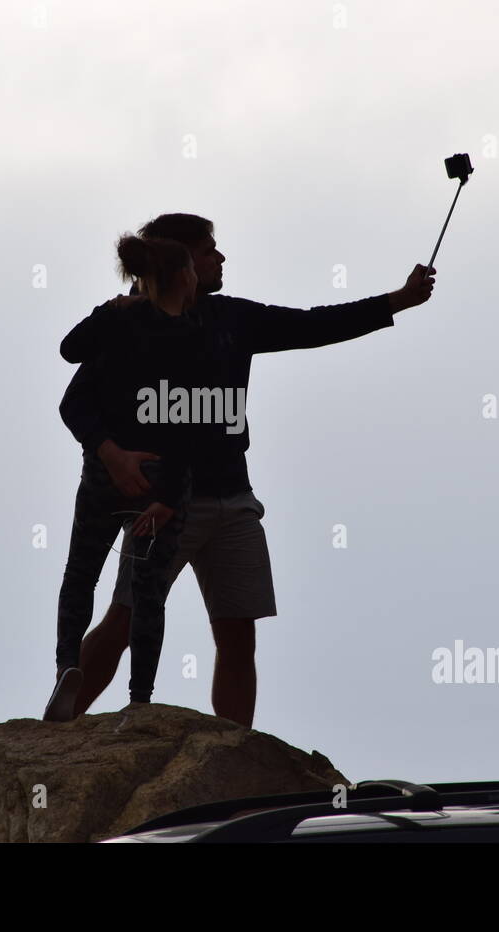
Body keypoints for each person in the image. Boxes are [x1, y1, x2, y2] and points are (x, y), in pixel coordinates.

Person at [58, 213, 437, 728]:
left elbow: (312, 324)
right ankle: (57, 730)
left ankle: (235, 747)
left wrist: (397, 300)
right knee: (124, 619)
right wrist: (113, 455)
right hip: (164, 501)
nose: (222, 259)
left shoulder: (232, 319)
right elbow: (77, 398)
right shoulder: (128, 324)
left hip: (233, 499)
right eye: (211, 250)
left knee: (238, 632)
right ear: (182, 261)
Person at [43, 232, 211, 721]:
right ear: (183, 276)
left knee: (81, 572)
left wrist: (110, 310)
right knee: (147, 590)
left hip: (104, 474)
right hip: (159, 479)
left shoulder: (119, 324)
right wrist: (170, 496)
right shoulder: (195, 338)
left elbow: (69, 354)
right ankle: (140, 699)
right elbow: (192, 425)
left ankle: (66, 668)